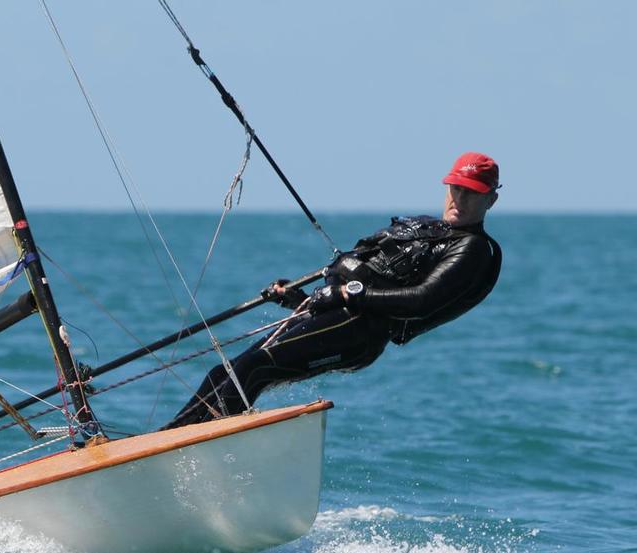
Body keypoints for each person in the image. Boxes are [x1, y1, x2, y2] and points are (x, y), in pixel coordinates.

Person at [164, 152, 503, 429]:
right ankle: (164, 440)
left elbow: (422, 299)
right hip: (337, 316)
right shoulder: (426, 228)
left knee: (252, 369)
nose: (460, 198)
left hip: (360, 333)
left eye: (471, 192)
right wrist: (301, 299)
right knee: (223, 372)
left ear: (491, 199)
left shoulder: (471, 249)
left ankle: (187, 455)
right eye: (455, 189)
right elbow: (363, 275)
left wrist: (345, 296)